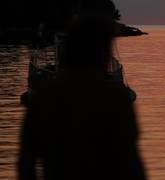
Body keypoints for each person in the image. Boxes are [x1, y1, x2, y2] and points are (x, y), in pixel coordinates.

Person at [18, 14, 147, 180]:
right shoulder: (115, 98)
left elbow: (26, 163)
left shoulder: (44, 97)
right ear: (101, 51)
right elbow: (132, 164)